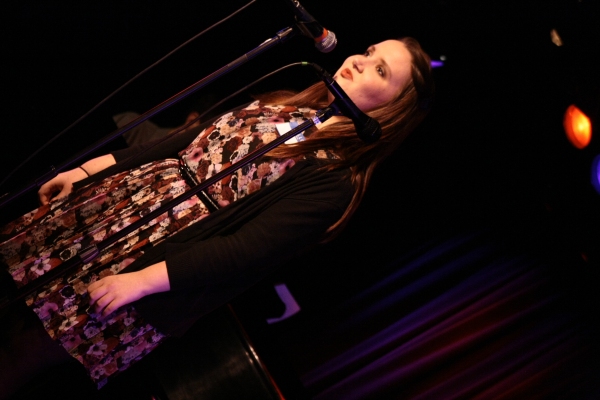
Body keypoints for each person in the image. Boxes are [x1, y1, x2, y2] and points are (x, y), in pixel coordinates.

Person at [0, 37, 434, 396]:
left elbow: (244, 251)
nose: (361, 61)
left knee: (22, 349)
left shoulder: (335, 179)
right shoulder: (285, 104)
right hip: (117, 209)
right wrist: (85, 170)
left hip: (154, 262)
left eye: (381, 71)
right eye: (371, 51)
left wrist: (139, 280)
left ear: (393, 108)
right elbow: (179, 141)